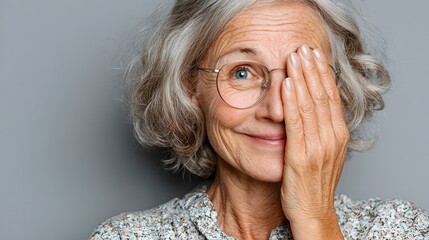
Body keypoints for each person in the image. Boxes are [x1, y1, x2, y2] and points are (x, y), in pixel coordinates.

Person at [90, 0, 429, 239]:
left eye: (304, 75)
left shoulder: (399, 228)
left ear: (336, 89)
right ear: (190, 86)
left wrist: (315, 220)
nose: (277, 111)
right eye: (242, 73)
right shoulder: (128, 236)